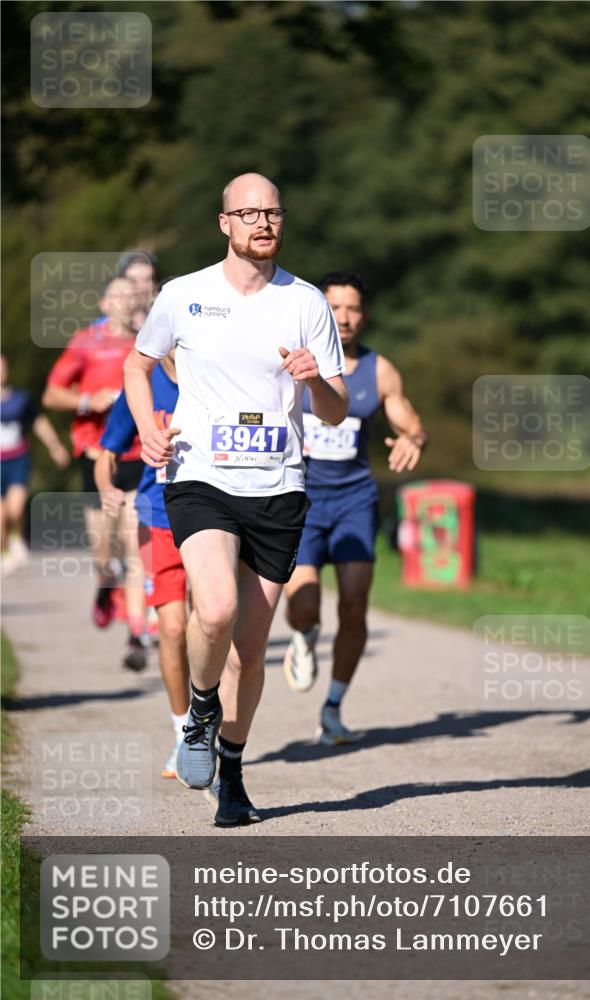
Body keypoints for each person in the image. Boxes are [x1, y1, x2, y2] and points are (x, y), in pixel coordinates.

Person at [124, 172, 347, 826]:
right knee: (214, 607)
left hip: (278, 486)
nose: (262, 223)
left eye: (272, 212)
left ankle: (233, 774)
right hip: (199, 476)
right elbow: (138, 366)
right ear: (224, 223)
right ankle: (198, 710)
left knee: (250, 653)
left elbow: (333, 411)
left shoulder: (306, 303)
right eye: (248, 213)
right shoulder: (183, 294)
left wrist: (315, 381)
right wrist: (145, 428)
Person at [282, 272, 427, 744]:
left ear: (364, 316)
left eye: (353, 308)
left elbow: (408, 419)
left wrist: (413, 439)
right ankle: (304, 637)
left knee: (355, 604)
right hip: (300, 497)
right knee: (303, 605)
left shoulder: (378, 370)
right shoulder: (292, 359)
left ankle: (333, 707)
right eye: (335, 307)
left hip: (354, 499)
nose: (343, 317)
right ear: (319, 310)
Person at [42, 276, 148, 667]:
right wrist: (89, 399)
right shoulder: (87, 341)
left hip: (138, 455)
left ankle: (136, 634)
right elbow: (51, 394)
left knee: (136, 546)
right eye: (116, 295)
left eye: (130, 294)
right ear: (104, 303)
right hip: (95, 456)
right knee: (104, 549)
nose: (124, 301)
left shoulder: (148, 341)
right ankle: (106, 583)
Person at [95, 348, 189, 770]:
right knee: (172, 628)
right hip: (158, 516)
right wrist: (107, 489)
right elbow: (107, 452)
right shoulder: (142, 383)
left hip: (221, 517)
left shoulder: (219, 371)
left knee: (216, 622)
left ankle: (210, 721)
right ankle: (183, 732)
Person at [1, 355, 69, 574]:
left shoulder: (21, 398)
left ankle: (17, 538)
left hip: (17, 460)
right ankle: (5, 552)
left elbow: (39, 422)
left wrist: (55, 446)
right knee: (1, 515)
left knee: (16, 507)